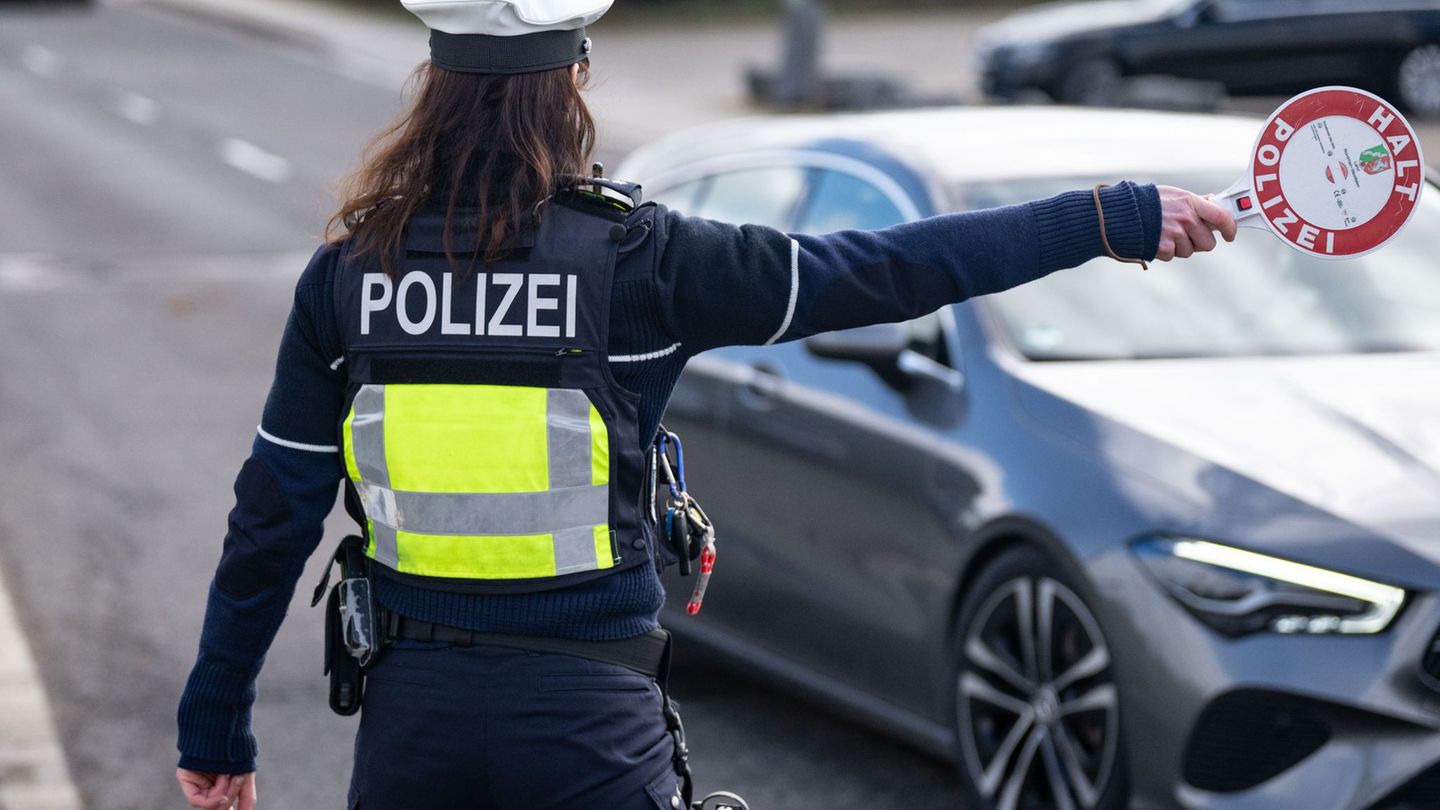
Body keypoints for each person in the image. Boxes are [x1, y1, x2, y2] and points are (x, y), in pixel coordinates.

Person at [173, 1, 1236, 808]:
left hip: (412, 731)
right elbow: (888, 270)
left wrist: (215, 723)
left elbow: (272, 518)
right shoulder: (644, 266)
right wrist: (1107, 216)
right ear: (574, 82)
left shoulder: (351, 277)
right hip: (589, 726)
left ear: (432, 86)